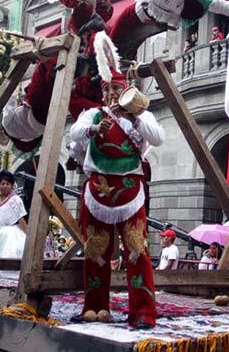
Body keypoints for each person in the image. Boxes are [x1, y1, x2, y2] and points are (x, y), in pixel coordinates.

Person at [70, 40, 164, 329]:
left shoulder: (141, 116)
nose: (112, 93)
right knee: (95, 250)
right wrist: (95, 129)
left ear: (126, 90)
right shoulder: (92, 114)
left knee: (137, 248)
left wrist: (133, 117)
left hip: (130, 189)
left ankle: (143, 311)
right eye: (108, 89)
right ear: (103, 92)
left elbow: (158, 137)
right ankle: (96, 306)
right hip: (97, 189)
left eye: (117, 88)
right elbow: (74, 135)